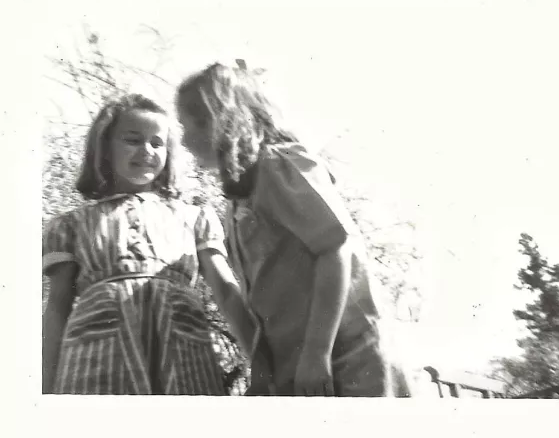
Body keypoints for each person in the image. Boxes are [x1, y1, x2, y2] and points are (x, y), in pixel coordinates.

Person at [175, 62, 413, 397]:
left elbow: (334, 248)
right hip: (300, 364)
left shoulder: (279, 167)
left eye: (189, 126)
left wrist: (317, 353)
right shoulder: (237, 202)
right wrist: (263, 364)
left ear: (219, 121)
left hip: (347, 356)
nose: (183, 140)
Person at [42, 94, 256, 395]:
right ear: (104, 148)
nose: (146, 151)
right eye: (132, 140)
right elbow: (57, 307)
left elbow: (225, 290)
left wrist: (261, 360)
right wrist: (45, 388)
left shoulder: (195, 217)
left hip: (183, 354)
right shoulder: (71, 225)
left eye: (157, 143)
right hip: (96, 359)